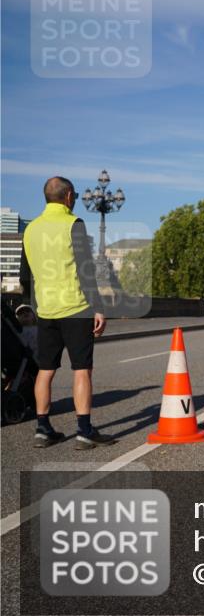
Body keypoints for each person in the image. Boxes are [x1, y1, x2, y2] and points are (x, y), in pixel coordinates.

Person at [19, 176, 117, 449]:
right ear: (69, 196)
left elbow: (24, 275)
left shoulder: (31, 229)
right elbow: (86, 270)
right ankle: (84, 431)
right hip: (75, 308)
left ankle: (42, 428)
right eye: (73, 197)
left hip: (46, 310)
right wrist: (98, 307)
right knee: (82, 370)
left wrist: (29, 305)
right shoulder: (73, 224)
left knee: (45, 370)